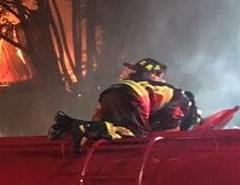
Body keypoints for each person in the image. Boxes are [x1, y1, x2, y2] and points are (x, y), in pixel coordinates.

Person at [49, 58, 201, 151]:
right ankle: (90, 128)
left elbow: (99, 116)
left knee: (111, 133)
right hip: (133, 98)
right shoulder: (180, 97)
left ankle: (75, 126)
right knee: (133, 138)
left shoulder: (121, 86)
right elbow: (168, 134)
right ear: (153, 74)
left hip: (109, 94)